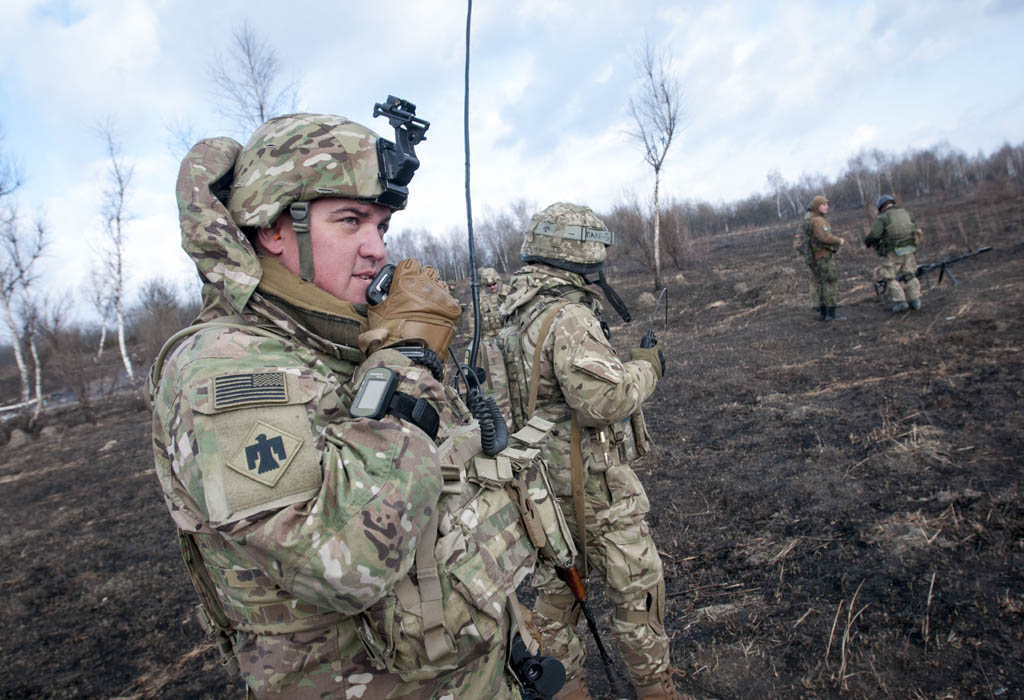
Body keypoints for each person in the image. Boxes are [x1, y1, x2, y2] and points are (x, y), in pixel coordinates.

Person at [150, 110, 565, 699]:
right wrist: (405, 363)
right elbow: (339, 560)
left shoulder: (340, 337)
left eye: (382, 227)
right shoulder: (224, 369)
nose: (377, 251)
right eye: (350, 222)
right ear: (272, 229)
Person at [498, 202, 683, 700]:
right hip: (595, 489)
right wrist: (648, 366)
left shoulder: (511, 312)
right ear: (578, 253)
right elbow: (605, 400)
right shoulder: (569, 316)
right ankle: (656, 692)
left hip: (538, 493)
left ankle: (568, 690)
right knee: (638, 592)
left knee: (555, 604)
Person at [864, 194, 923, 312]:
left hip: (893, 252)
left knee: (888, 276)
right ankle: (915, 301)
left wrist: (868, 242)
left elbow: (874, 235)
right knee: (910, 274)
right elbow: (917, 230)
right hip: (909, 249)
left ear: (881, 207)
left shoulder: (883, 218)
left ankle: (900, 301)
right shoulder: (907, 213)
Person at [807, 194, 847, 321]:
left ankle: (825, 313)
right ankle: (831, 313)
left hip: (821, 256)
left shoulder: (815, 220)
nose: (827, 207)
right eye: (824, 205)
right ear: (817, 207)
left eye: (827, 204)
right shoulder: (818, 221)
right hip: (823, 257)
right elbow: (823, 237)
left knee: (824, 284)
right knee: (830, 282)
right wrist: (838, 240)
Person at [793, 204, 821, 313]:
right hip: (815, 254)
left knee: (814, 278)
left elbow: (798, 242)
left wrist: (805, 253)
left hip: (809, 255)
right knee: (820, 278)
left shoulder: (804, 222)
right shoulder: (812, 221)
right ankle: (823, 304)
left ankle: (815, 304)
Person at [470, 266, 507, 342]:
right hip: (489, 338)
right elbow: (473, 321)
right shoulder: (479, 299)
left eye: (494, 284)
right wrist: (476, 340)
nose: (492, 287)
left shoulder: (508, 291)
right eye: (489, 285)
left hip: (508, 334)